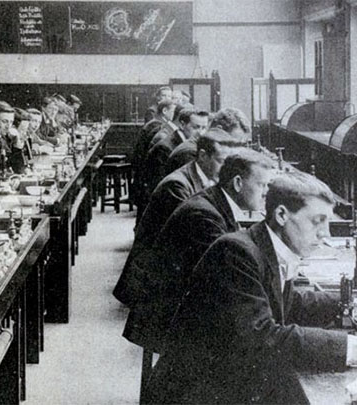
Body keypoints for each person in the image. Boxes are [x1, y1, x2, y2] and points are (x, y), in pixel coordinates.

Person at [145, 172, 351, 404]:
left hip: (225, 379)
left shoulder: (265, 246)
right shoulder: (236, 252)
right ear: (281, 214)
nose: (326, 234)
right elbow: (261, 337)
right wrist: (350, 348)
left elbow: (287, 301)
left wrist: (347, 304)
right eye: (317, 221)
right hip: (195, 393)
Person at [123, 151, 275, 370]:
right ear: (238, 183)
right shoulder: (205, 217)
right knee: (254, 342)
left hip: (173, 305)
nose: (266, 194)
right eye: (262, 185)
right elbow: (228, 274)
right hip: (167, 316)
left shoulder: (215, 202)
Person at [114, 129, 241, 307]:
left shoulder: (203, 177)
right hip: (154, 276)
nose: (226, 170)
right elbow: (196, 235)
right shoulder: (177, 186)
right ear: (203, 156)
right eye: (222, 162)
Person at [143, 108, 210, 192]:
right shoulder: (165, 148)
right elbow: (157, 185)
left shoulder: (186, 144)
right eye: (196, 127)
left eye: (204, 128)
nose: (201, 133)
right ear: (182, 125)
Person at [132, 98, 177, 222]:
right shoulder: (157, 126)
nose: (174, 114)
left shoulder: (156, 123)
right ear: (164, 110)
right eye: (173, 110)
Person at [167, 107, 251, 173]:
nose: (235, 148)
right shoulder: (190, 152)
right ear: (219, 129)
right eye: (234, 142)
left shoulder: (199, 146)